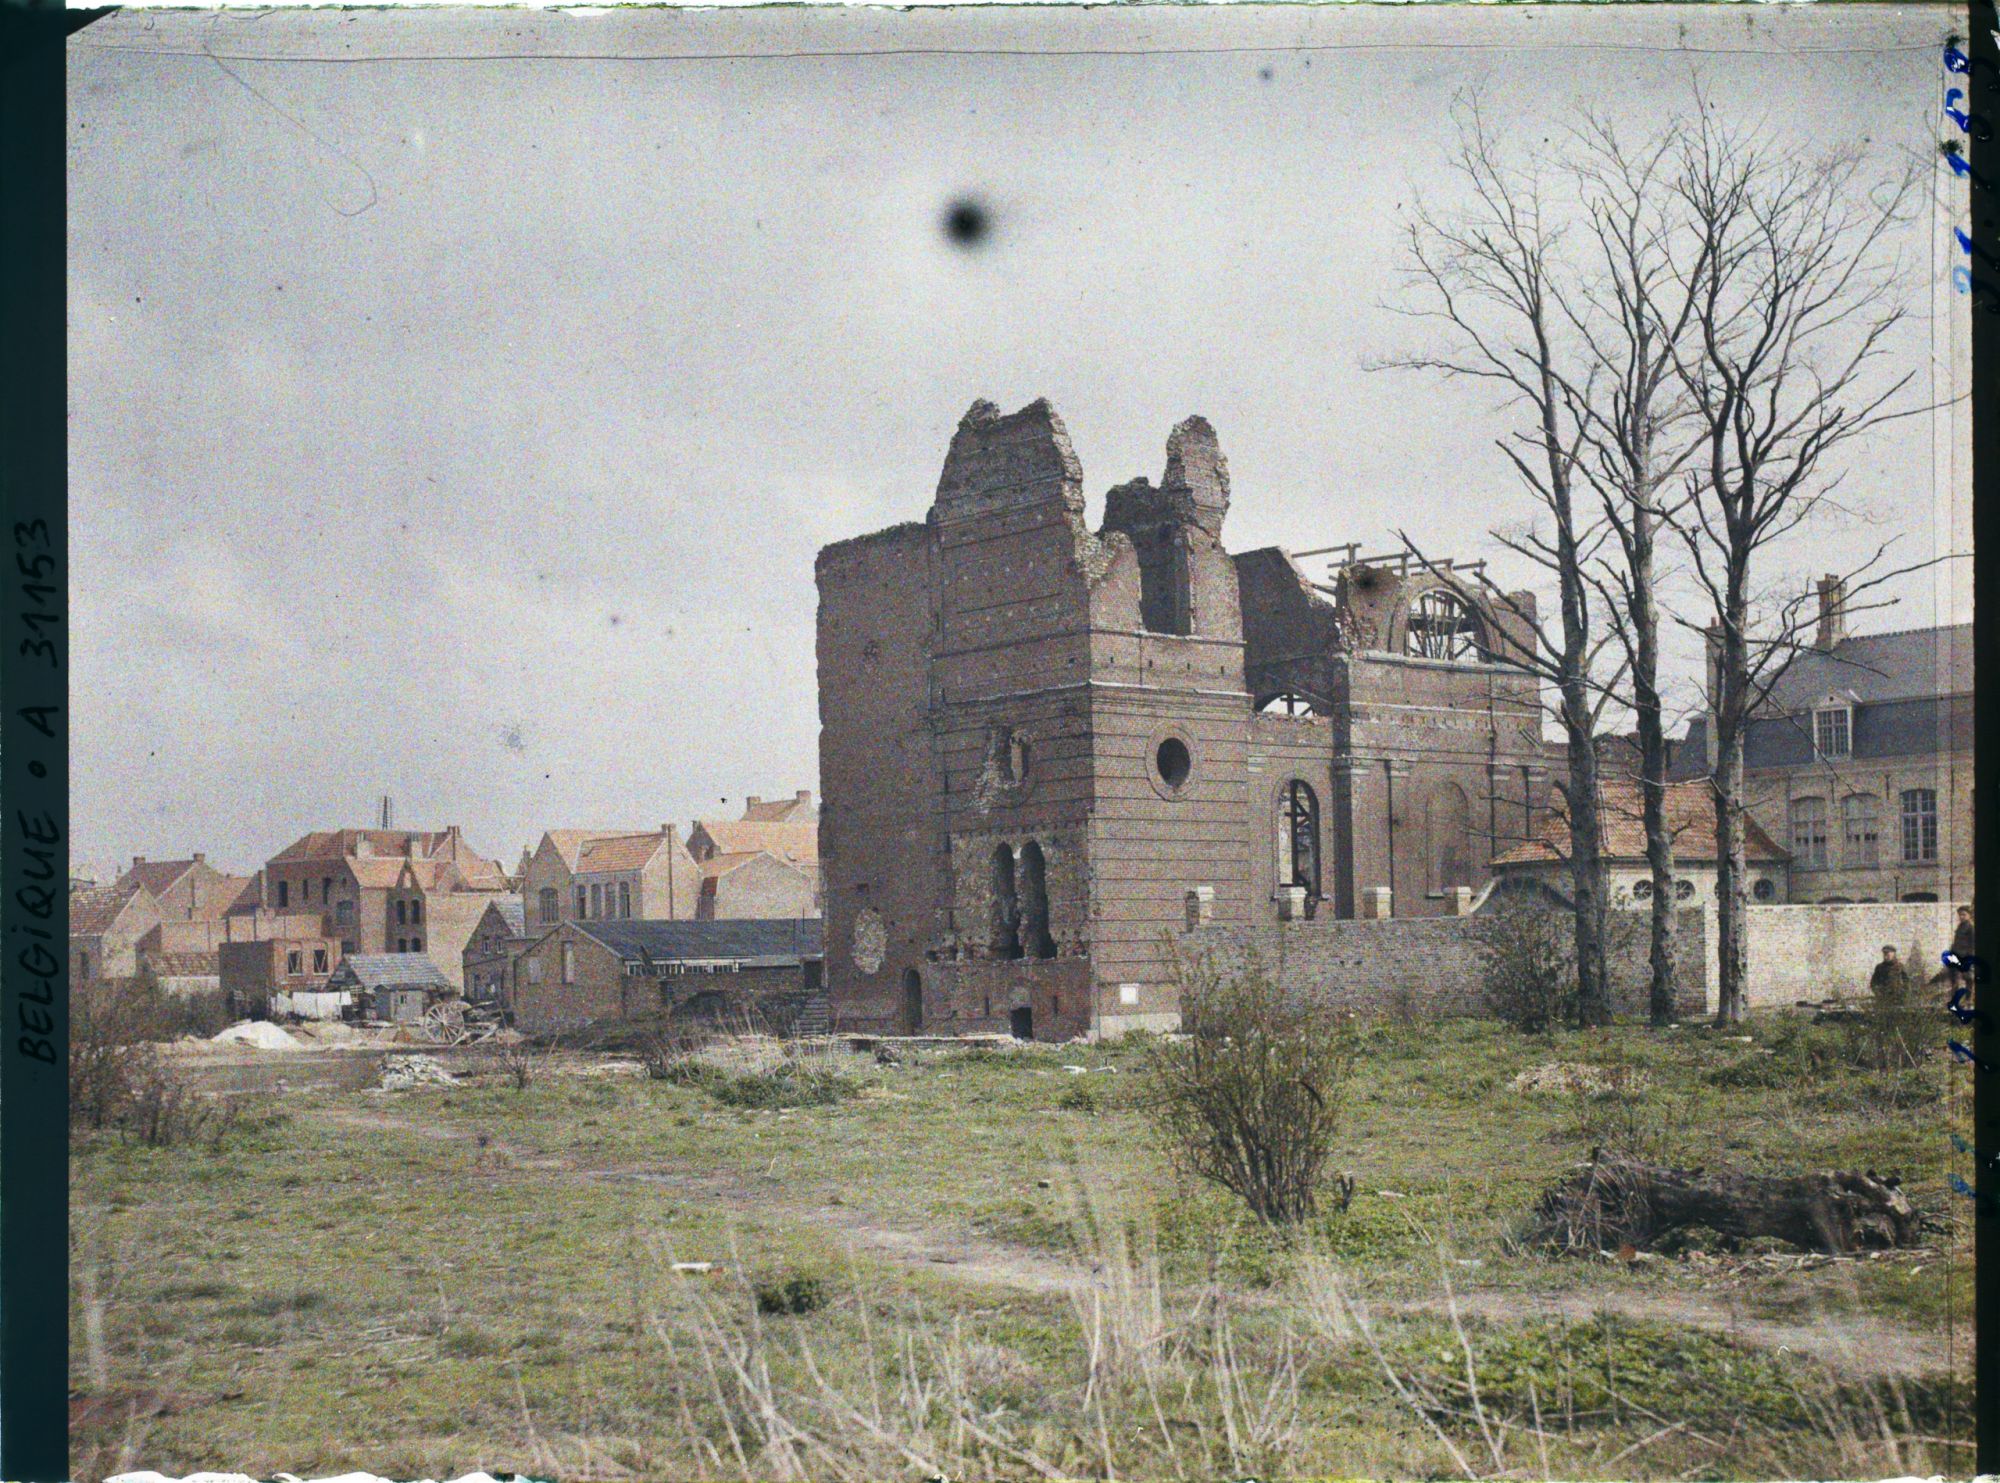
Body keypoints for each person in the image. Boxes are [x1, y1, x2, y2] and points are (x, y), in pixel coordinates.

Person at [1949, 906, 1977, 994]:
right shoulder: (1960, 926)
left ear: (1969, 915)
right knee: (1955, 976)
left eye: (1964, 914)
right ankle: (1955, 996)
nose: (1961, 917)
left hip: (1966, 955)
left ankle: (1968, 997)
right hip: (1957, 955)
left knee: (1968, 977)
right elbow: (1957, 941)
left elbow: (1973, 944)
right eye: (1960, 915)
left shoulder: (1971, 927)